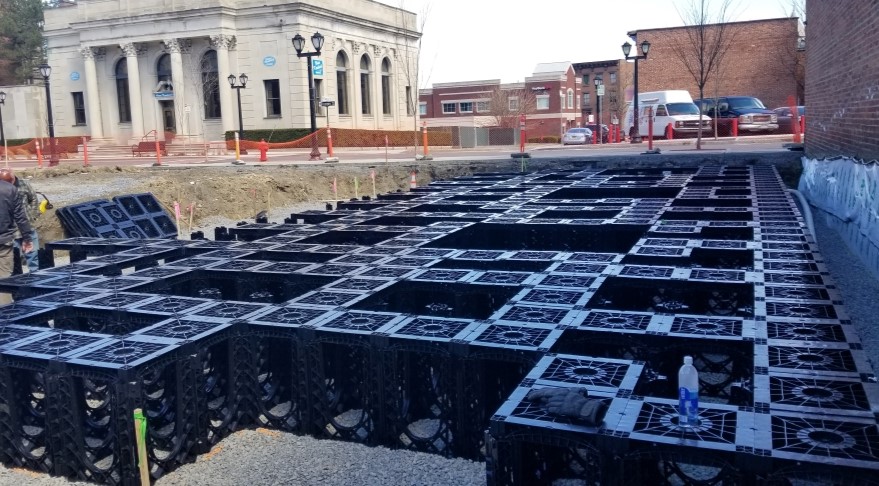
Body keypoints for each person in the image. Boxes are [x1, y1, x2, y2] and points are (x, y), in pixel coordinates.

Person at [0, 176, 33, 304]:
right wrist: (27, 238)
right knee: (3, 280)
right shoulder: (9, 189)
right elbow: (20, 216)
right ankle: (4, 317)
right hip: (4, 241)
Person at [0, 168, 40, 273]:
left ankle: (35, 273)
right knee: (14, 256)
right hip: (12, 229)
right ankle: (17, 277)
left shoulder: (24, 185)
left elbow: (34, 199)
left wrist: (33, 214)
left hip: (27, 225)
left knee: (33, 253)